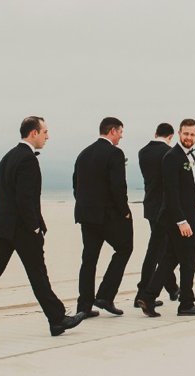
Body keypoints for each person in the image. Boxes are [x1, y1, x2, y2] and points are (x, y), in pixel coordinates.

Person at [0, 117, 84, 345]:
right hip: (22, 230)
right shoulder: (27, 159)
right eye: (45, 131)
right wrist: (34, 226)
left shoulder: (8, 156)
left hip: (4, 227)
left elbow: (0, 194)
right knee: (37, 274)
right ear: (33, 133)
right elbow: (26, 199)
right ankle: (57, 319)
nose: (48, 136)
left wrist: (7, 219)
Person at [137, 119, 195, 317]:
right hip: (179, 219)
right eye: (185, 134)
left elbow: (193, 189)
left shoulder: (189, 158)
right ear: (178, 133)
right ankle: (186, 303)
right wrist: (181, 221)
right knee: (188, 260)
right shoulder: (171, 157)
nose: (189, 138)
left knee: (170, 259)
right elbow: (170, 192)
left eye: (192, 134)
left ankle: (148, 297)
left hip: (185, 217)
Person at [73, 117, 133, 317]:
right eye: (121, 132)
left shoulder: (83, 153)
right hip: (107, 215)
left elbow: (76, 184)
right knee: (125, 248)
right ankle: (105, 296)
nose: (121, 137)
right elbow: (118, 186)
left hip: (85, 214)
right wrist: (124, 210)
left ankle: (84, 306)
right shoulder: (115, 153)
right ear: (113, 131)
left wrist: (83, 205)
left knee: (89, 259)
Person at [134, 123, 180, 308]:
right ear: (170, 136)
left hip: (150, 205)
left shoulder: (142, 152)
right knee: (157, 250)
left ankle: (172, 288)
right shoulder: (169, 153)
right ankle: (143, 292)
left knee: (161, 247)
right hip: (165, 208)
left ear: (155, 133)